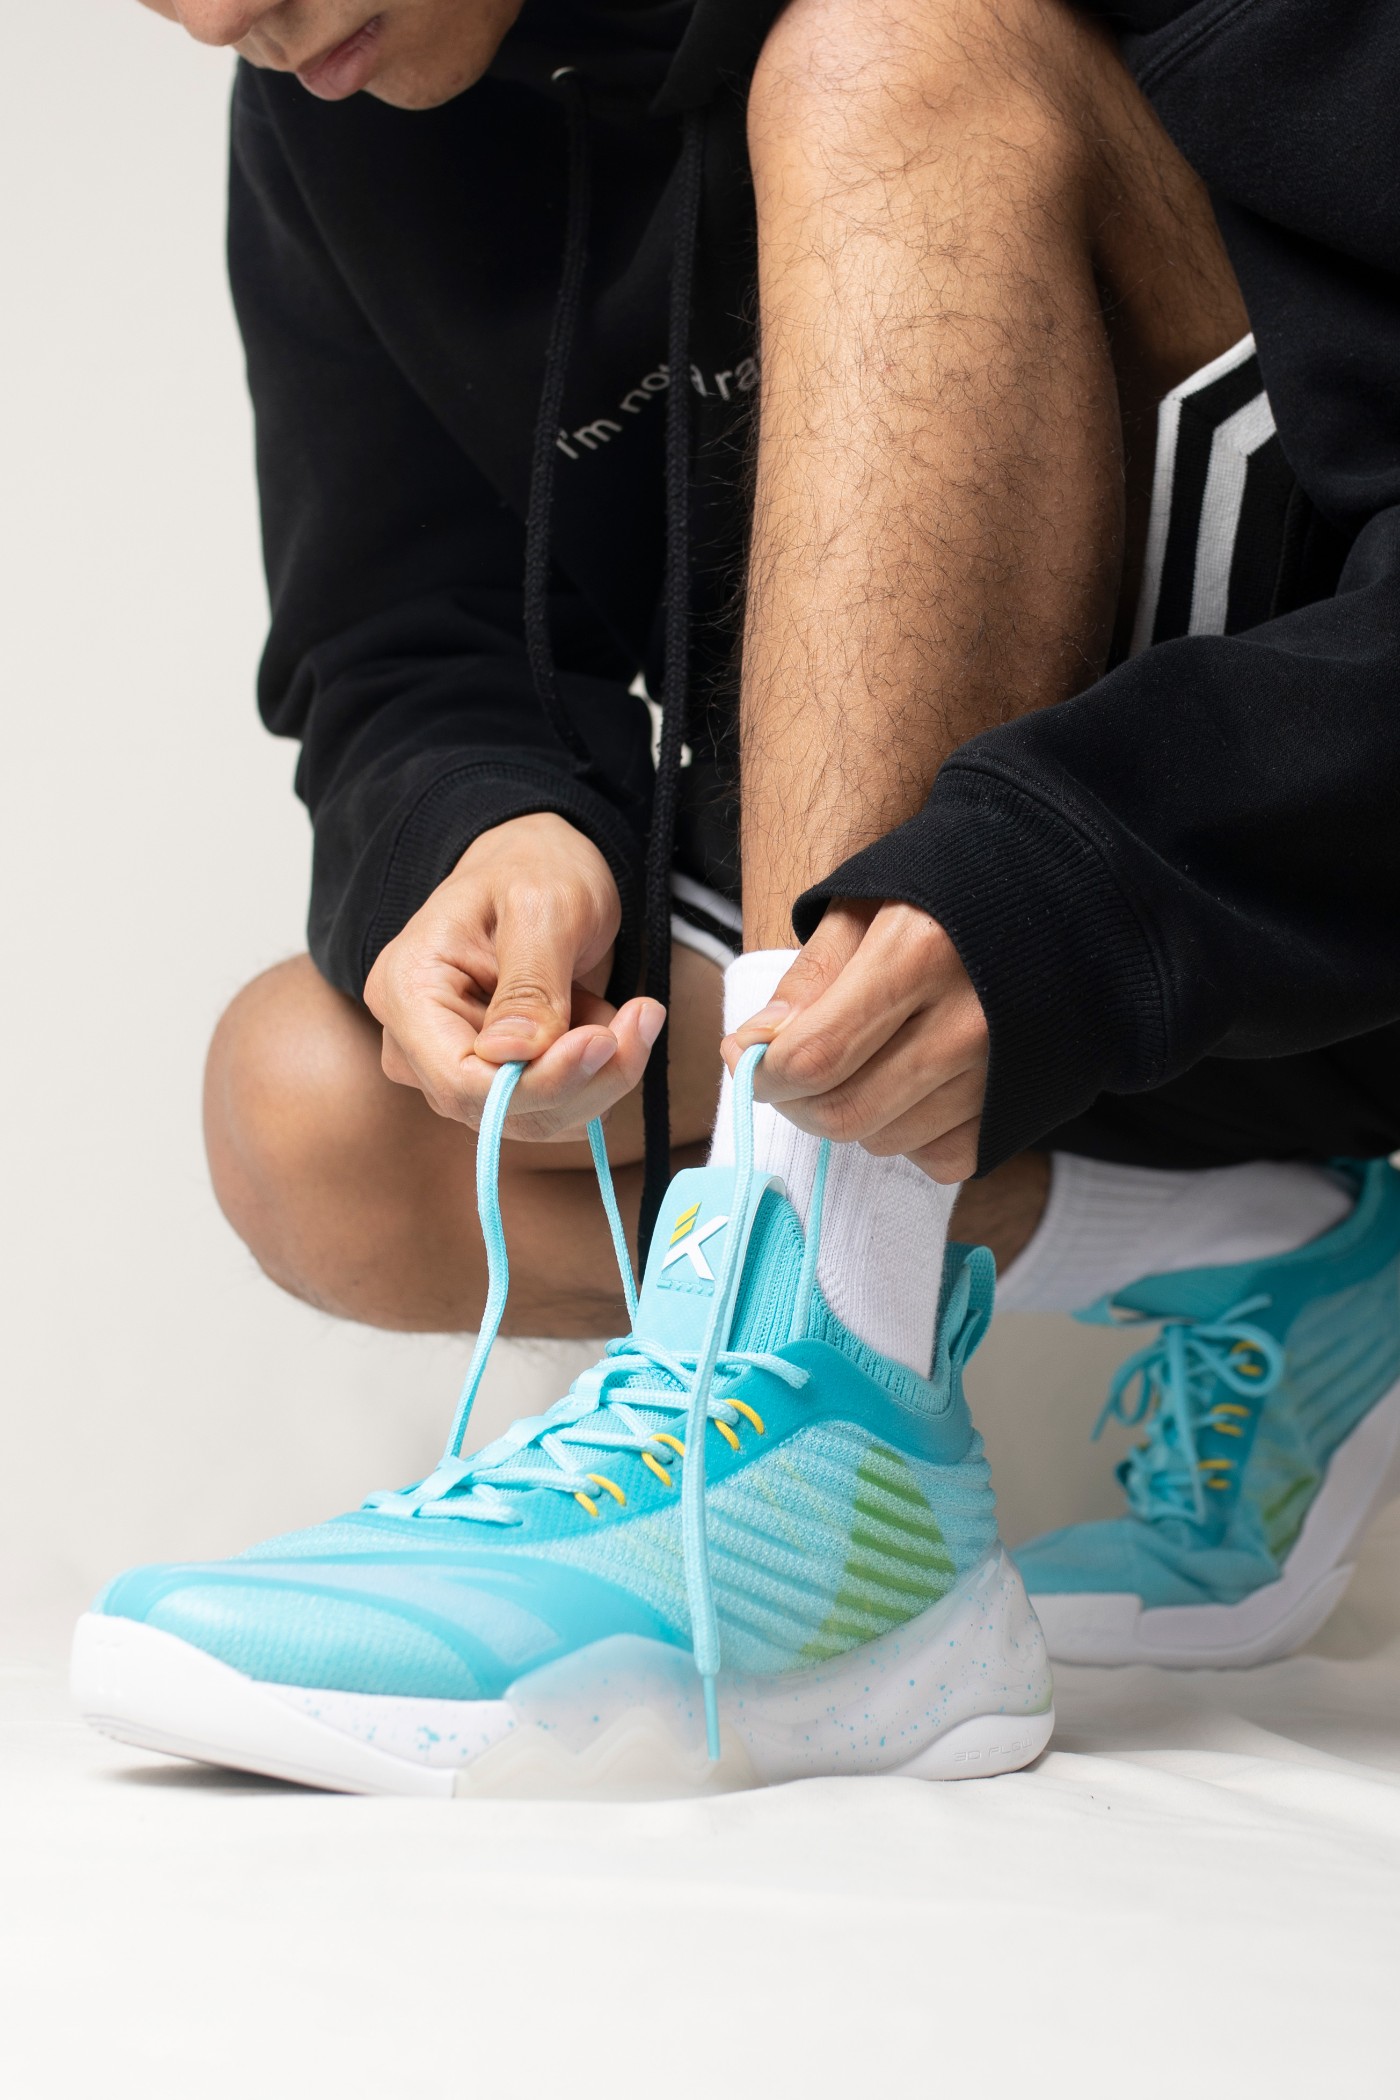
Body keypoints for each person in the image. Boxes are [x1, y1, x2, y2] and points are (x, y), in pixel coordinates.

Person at [76, 0, 1400, 1792]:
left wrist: (1087, 880)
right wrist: (494, 828)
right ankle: (1280, 1258)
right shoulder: (339, 95)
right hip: (965, 982)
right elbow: (394, 641)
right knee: (313, 1113)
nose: (218, 15)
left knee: (900, 43)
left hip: (1295, 900)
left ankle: (833, 1460)